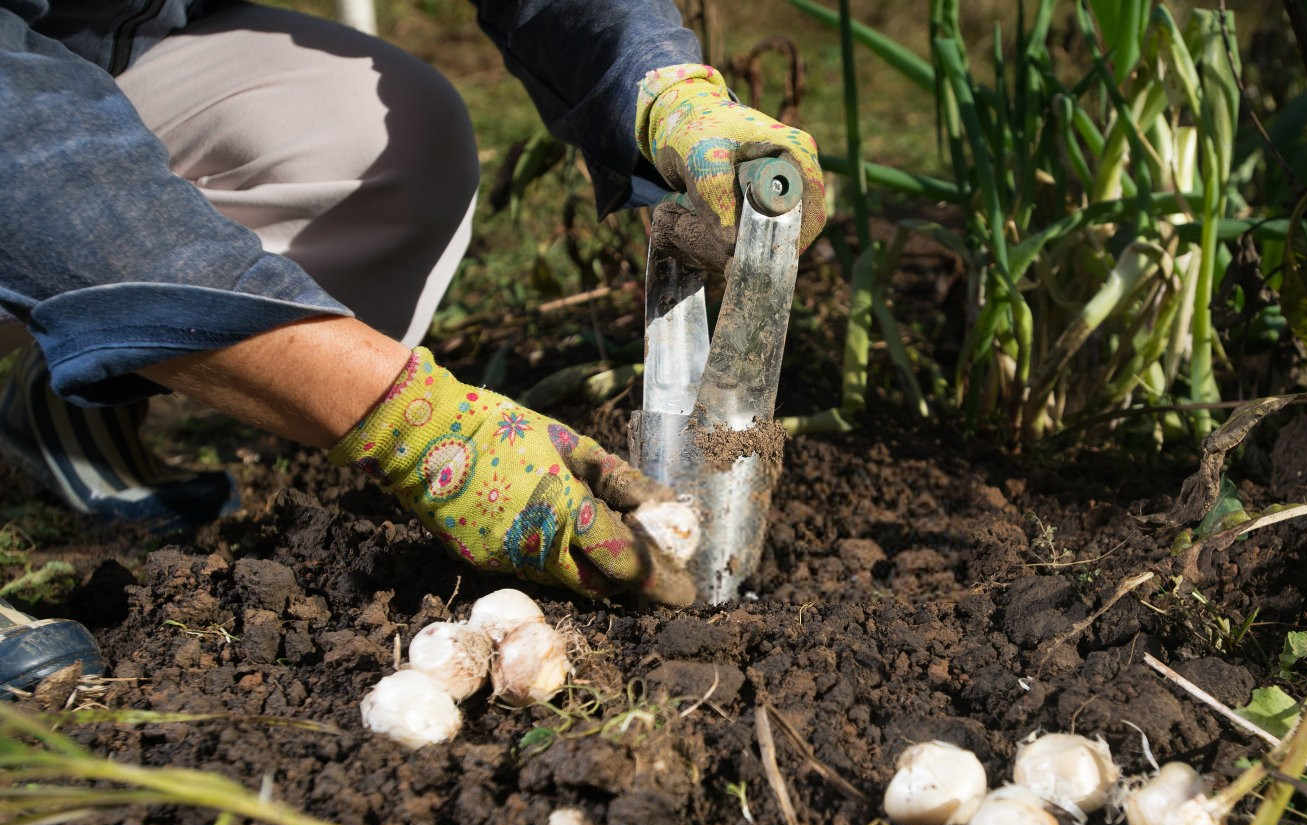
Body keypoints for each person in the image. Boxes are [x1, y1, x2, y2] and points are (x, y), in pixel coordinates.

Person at [0, 0, 824, 608]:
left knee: (395, 148)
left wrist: (664, 90)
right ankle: (105, 325)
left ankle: (78, 386)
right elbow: (30, 146)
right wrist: (411, 423)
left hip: (96, 43)